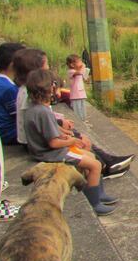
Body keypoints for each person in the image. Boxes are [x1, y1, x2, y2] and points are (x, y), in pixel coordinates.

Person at [13, 48, 133, 178]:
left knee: (78, 136)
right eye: (46, 64)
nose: (48, 67)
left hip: (37, 138)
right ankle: (102, 167)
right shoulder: (31, 96)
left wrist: (59, 124)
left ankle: (106, 161)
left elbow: (39, 119)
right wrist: (67, 135)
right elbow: (41, 122)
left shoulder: (27, 90)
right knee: (81, 140)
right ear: (37, 69)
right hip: (38, 144)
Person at [23, 68, 117, 216]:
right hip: (50, 154)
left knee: (91, 157)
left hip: (46, 150)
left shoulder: (34, 108)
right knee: (95, 164)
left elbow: (50, 130)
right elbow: (53, 143)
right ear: (50, 88)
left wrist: (66, 134)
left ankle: (97, 191)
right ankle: (95, 203)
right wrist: (72, 140)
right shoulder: (43, 112)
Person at [0, 42, 26, 144]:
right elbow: (22, 116)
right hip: (9, 134)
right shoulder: (9, 89)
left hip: (0, 130)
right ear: (13, 64)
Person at [66, 53, 89, 122]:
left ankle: (84, 121)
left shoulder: (79, 71)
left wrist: (86, 73)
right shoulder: (71, 71)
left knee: (83, 109)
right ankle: (79, 123)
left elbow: (85, 78)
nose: (81, 63)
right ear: (72, 65)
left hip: (81, 93)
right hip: (75, 95)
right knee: (77, 111)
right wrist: (83, 66)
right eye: (79, 62)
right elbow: (78, 73)